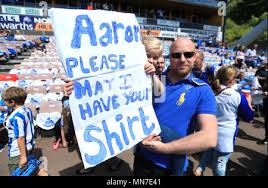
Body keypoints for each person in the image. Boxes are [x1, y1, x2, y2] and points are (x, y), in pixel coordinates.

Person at [134, 37, 217, 176]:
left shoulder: (203, 90)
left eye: (188, 54)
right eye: (176, 55)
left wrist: (165, 148)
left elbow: (209, 137)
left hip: (171, 167)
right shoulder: (151, 79)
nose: (182, 59)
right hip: (142, 159)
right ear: (169, 57)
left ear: (195, 56)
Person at [193, 66, 254, 176]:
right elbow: (249, 117)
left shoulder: (209, 90)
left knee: (209, 150)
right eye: (236, 77)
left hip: (209, 129)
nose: (237, 80)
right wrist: (249, 102)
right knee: (220, 163)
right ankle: (201, 169)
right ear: (231, 79)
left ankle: (200, 169)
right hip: (226, 133)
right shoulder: (237, 96)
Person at [1, 87, 48, 176]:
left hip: (18, 152)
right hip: (29, 147)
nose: (3, 102)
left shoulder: (16, 117)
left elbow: (20, 137)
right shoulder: (27, 110)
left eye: (5, 101)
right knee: (36, 170)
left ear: (12, 102)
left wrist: (23, 157)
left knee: (19, 173)